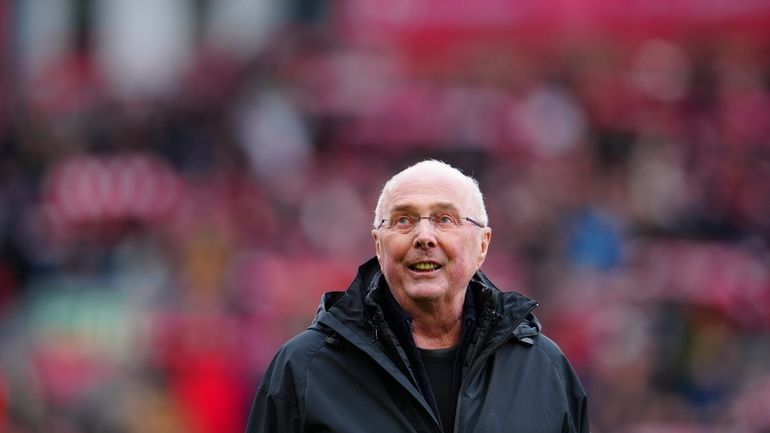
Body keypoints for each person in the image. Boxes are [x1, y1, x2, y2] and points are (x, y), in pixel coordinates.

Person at [245, 160, 590, 433]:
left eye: (444, 219)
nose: (424, 236)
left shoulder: (545, 369)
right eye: (403, 220)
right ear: (378, 245)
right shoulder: (303, 368)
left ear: (482, 244)